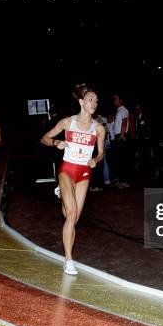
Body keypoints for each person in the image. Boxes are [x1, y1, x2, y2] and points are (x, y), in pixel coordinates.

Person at [41, 84, 105, 275]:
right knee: (71, 212)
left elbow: (101, 153)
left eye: (96, 101)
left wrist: (95, 159)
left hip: (84, 173)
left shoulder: (99, 128)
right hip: (67, 170)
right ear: (81, 102)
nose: (94, 103)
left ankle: (63, 193)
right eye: (90, 100)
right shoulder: (68, 123)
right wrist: (55, 142)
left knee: (74, 217)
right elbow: (44, 138)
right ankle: (69, 260)